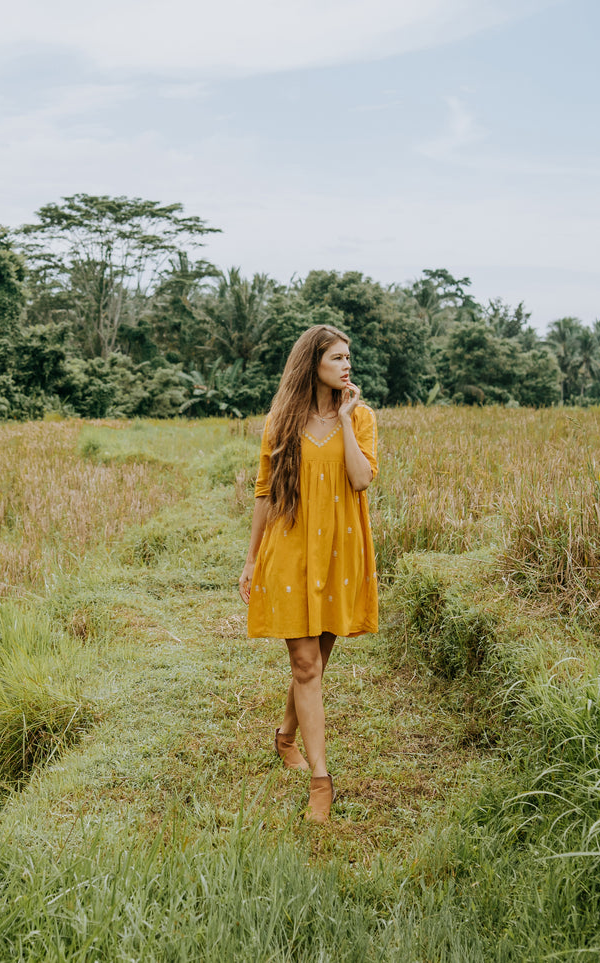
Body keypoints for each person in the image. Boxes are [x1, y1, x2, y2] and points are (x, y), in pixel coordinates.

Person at [238, 324, 378, 823]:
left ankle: (285, 736)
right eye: (337, 358)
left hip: (339, 554)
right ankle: (322, 782)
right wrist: (251, 560)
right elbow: (263, 493)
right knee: (305, 666)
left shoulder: (359, 418)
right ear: (312, 363)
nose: (347, 366)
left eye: (349, 357)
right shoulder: (280, 421)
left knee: (316, 660)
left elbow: (361, 480)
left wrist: (342, 419)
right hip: (289, 551)